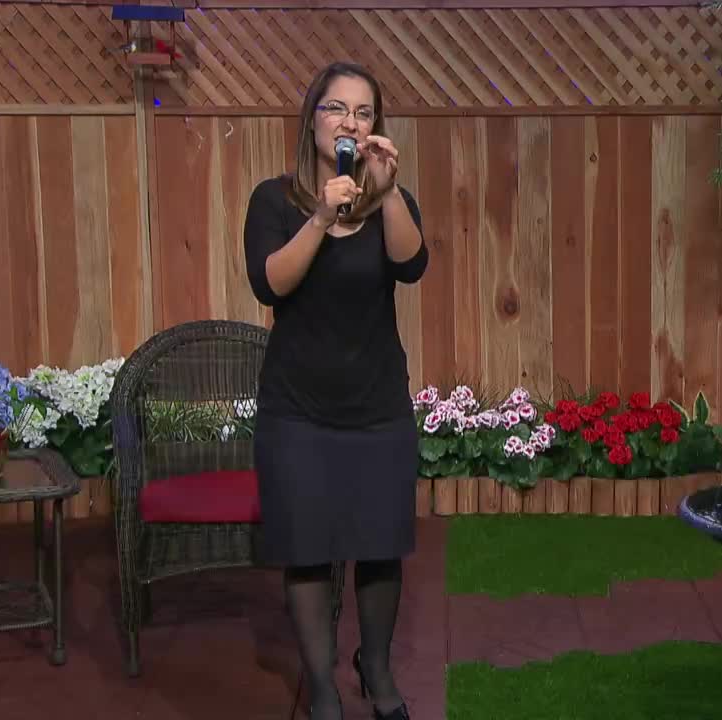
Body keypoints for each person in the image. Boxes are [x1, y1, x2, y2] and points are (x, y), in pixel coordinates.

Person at [242, 61, 428, 720]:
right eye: (336, 108)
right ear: (312, 119)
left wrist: (390, 190)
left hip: (376, 406)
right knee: (308, 549)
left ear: (375, 127)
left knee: (380, 547)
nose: (349, 121)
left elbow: (411, 266)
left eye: (363, 111)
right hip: (298, 410)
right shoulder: (274, 199)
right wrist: (322, 215)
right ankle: (320, 684)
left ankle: (375, 670)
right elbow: (271, 284)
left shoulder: (391, 200)